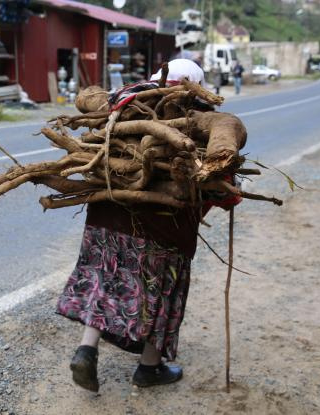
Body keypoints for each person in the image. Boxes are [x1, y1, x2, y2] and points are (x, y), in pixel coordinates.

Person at [55, 59, 235, 392]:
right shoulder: (200, 122)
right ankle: (149, 368)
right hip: (163, 227)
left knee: (104, 276)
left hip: (108, 211)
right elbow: (219, 184)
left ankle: (86, 348)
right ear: (196, 86)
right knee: (160, 291)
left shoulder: (121, 103)